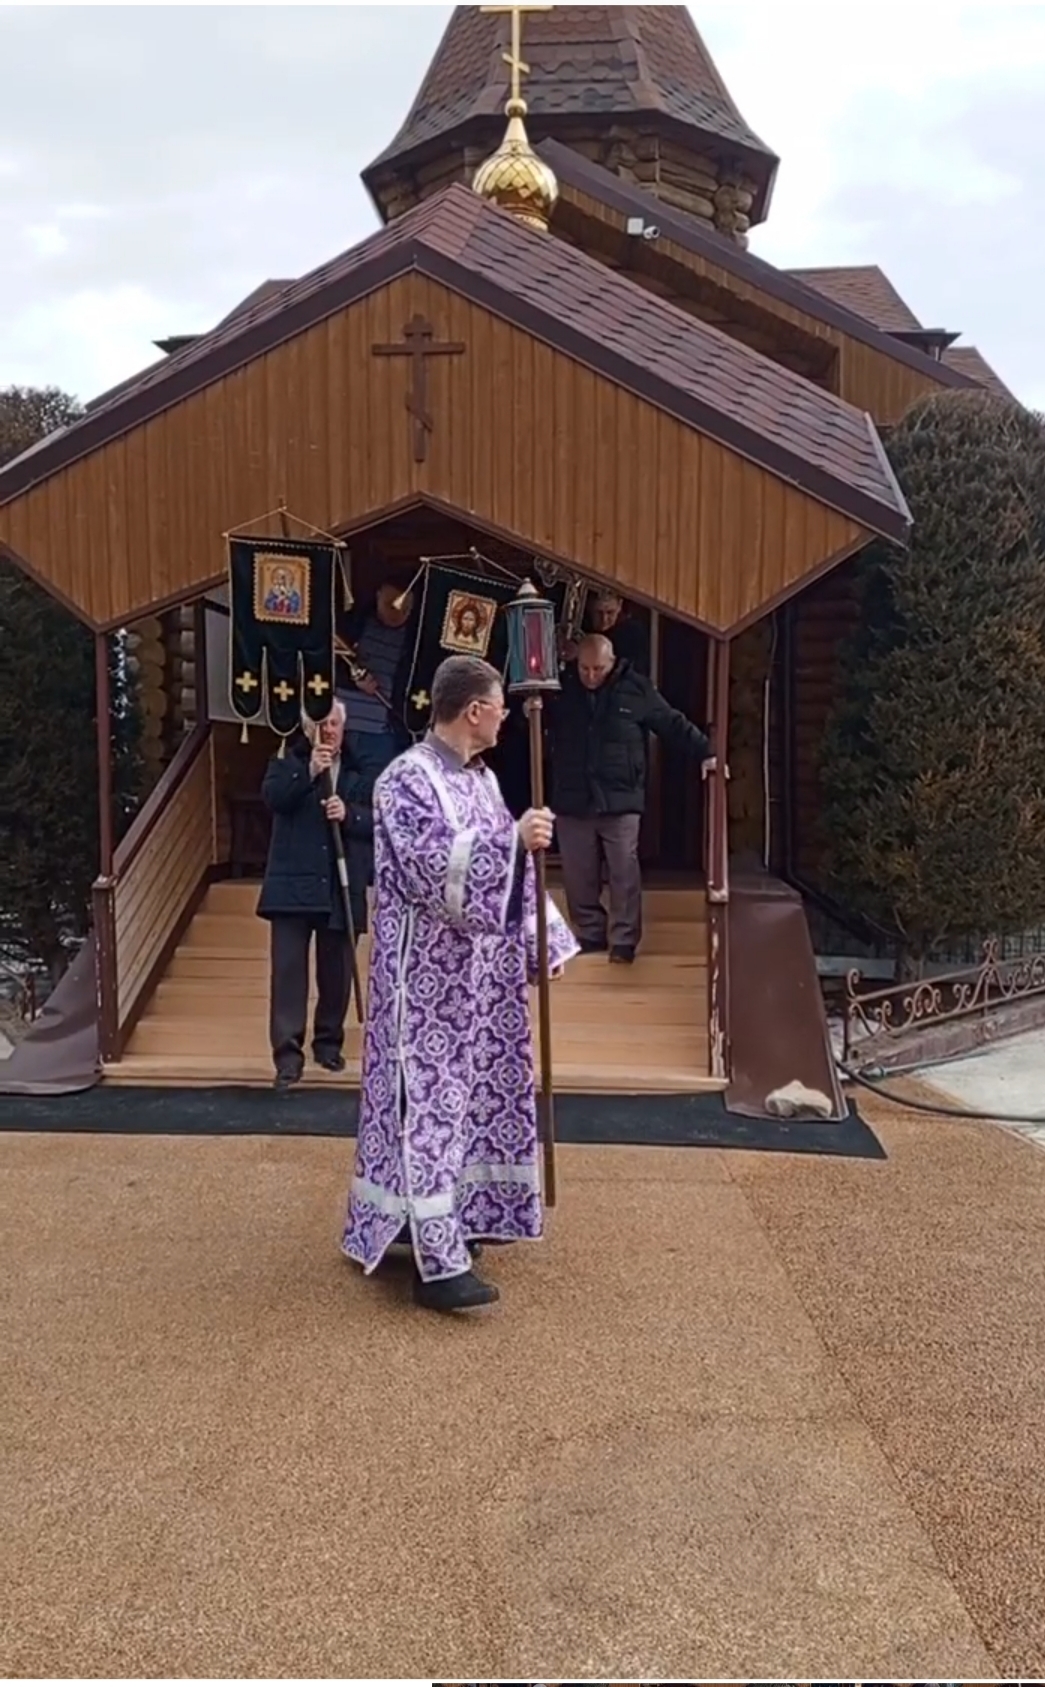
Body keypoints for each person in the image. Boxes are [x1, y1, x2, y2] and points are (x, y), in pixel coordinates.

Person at [341, 653, 579, 1314]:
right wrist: (514, 841)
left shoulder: (483, 780)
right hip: (422, 986)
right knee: (429, 1107)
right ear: (474, 710)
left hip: (481, 983)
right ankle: (437, 1265)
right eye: (499, 707)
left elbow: (513, 874)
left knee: (472, 1102)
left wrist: (541, 939)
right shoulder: (405, 779)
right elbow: (433, 870)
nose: (505, 718)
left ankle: (453, 1218)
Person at [549, 634, 713, 964]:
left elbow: (671, 723)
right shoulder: (562, 690)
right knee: (578, 873)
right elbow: (533, 722)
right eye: (584, 668)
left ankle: (624, 940)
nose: (590, 675)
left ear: (612, 663)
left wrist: (707, 752)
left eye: (598, 669)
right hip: (573, 796)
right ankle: (590, 933)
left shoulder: (636, 688)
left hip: (621, 796)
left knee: (624, 870)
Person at [257, 699, 373, 1089]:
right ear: (308, 730)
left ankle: (328, 1044)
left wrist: (350, 815)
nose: (330, 731)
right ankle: (288, 1057)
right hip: (293, 886)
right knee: (289, 974)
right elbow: (274, 798)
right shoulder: (287, 763)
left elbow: (382, 820)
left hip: (340, 883)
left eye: (335, 723)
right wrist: (309, 771)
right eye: (322, 725)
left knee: (336, 972)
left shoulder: (359, 770)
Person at [339, 581, 414, 778]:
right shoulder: (355, 623)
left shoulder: (413, 638)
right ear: (378, 595)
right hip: (345, 722)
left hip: (386, 728)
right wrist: (354, 679)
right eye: (390, 604)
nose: (397, 613)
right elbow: (330, 662)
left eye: (405, 608)